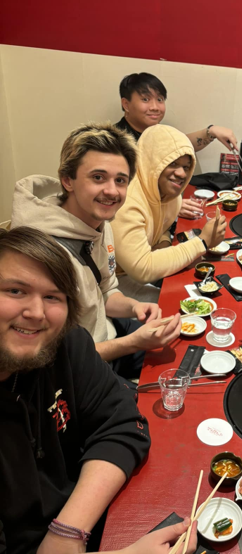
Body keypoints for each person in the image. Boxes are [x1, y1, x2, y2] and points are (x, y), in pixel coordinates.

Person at [0, 227, 197, 554]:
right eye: (15, 291)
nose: (36, 313)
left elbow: (124, 420)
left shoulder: (62, 345)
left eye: (52, 297)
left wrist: (68, 529)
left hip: (83, 529)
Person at [10, 123, 182, 381]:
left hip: (108, 336)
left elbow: (104, 290)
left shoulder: (99, 223)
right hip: (78, 371)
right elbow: (57, 359)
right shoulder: (43, 256)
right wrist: (133, 343)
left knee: (185, 358)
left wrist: (135, 306)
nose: (112, 191)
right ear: (68, 181)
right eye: (98, 177)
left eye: (120, 180)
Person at [111, 124, 227, 301]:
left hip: (135, 272)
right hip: (112, 280)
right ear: (151, 161)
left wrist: (163, 245)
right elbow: (143, 269)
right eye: (172, 164)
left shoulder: (171, 196)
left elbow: (164, 227)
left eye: (187, 167)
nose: (181, 173)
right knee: (176, 304)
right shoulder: (127, 201)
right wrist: (202, 242)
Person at [116, 72, 239, 220]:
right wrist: (170, 206)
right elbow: (121, 194)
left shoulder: (156, 133)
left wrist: (211, 132)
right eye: (145, 99)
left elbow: (180, 147)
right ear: (126, 104)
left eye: (160, 99)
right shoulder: (116, 144)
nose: (155, 107)